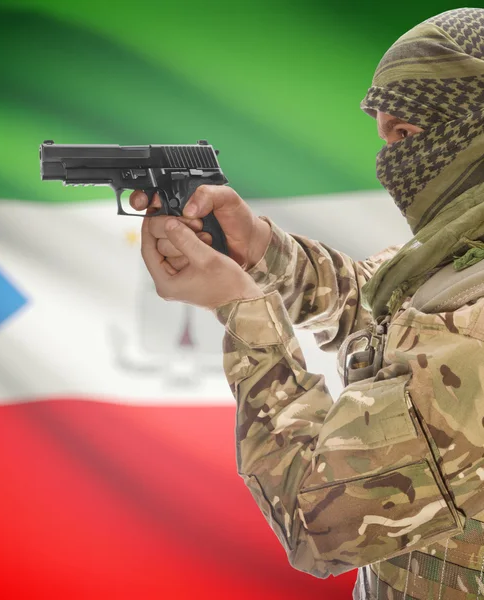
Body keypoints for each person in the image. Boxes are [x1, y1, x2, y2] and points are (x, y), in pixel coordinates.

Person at [130, 8, 484, 599]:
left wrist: (241, 308)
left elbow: (318, 521)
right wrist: (262, 250)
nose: (390, 160)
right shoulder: (462, 254)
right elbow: (385, 310)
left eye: (407, 134)